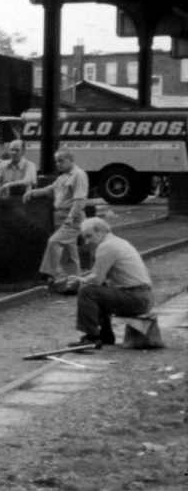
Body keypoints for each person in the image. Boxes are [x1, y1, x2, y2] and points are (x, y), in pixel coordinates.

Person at [67, 218, 152, 347]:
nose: (88, 241)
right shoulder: (119, 242)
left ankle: (92, 336)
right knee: (100, 289)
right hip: (143, 296)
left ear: (100, 232)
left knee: (87, 291)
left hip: (136, 298)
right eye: (86, 237)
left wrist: (80, 280)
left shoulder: (106, 247)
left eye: (89, 236)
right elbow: (100, 279)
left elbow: (96, 279)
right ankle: (105, 335)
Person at [25, 148, 89, 291]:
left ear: (70, 160)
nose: (58, 164)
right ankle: (74, 284)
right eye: (56, 161)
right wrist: (33, 192)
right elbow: (50, 189)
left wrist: (71, 217)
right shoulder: (63, 177)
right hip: (60, 217)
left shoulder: (78, 175)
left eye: (61, 160)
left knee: (54, 241)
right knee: (69, 254)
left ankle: (47, 274)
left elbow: (79, 199)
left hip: (71, 218)